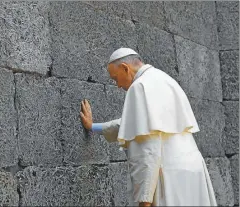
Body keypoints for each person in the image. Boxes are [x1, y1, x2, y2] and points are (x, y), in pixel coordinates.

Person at [80, 48, 217, 207]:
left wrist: (144, 198)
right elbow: (136, 124)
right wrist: (93, 127)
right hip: (193, 170)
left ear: (125, 68)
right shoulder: (164, 79)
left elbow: (147, 148)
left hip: (167, 174)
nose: (117, 85)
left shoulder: (139, 86)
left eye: (115, 78)